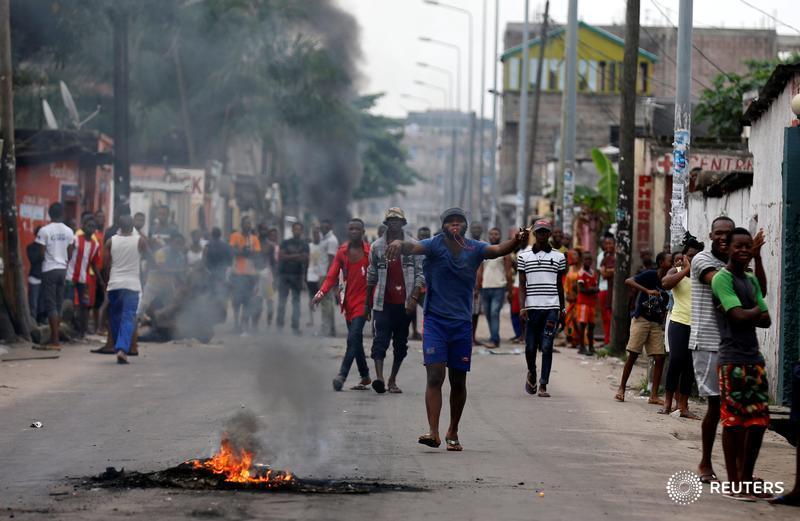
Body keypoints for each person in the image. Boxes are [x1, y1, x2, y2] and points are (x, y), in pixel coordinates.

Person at [385, 208, 528, 451]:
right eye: (450, 222)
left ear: (465, 226)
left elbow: (497, 250)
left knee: (458, 381)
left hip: (461, 323)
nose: (454, 225)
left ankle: (453, 430)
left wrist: (515, 241)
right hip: (435, 321)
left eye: (459, 222)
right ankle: (433, 432)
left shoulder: (474, 248)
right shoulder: (434, 244)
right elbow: (413, 247)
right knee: (435, 376)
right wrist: (399, 243)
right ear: (443, 226)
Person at [689, 216, 761, 484]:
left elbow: (757, 294)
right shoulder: (702, 260)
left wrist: (755, 259)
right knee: (715, 406)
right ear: (710, 235)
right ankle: (706, 462)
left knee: (739, 409)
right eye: (718, 233)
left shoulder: (739, 266)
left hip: (735, 345)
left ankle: (742, 471)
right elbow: (720, 283)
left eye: (727, 234)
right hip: (708, 342)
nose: (722, 237)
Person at [711, 227, 772, 500]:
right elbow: (737, 317)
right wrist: (754, 311)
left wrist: (749, 312)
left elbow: (765, 320)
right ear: (728, 248)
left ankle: (747, 480)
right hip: (731, 360)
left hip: (754, 359)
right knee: (734, 423)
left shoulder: (750, 279)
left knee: (757, 423)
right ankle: (734, 483)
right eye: (739, 246)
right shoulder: (722, 279)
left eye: (749, 246)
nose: (745, 250)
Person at [365, 208, 424, 394]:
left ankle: (392, 379)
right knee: (380, 340)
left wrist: (414, 297)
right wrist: (367, 304)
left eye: (397, 220)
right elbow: (371, 275)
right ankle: (380, 378)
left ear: (403, 223)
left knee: (400, 343)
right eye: (390, 220)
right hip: (382, 303)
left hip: (404, 304)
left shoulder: (413, 245)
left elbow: (420, 274)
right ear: (386, 223)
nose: (394, 223)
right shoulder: (377, 246)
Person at [313, 219, 372, 390]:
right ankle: (365, 375)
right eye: (351, 229)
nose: (354, 231)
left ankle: (342, 375)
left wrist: (371, 304)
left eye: (357, 229)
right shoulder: (342, 252)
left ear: (363, 232)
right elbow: (331, 276)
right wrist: (320, 294)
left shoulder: (370, 253)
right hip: (348, 302)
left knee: (352, 337)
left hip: (363, 302)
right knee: (356, 340)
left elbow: (376, 279)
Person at [614, 251, 671, 404]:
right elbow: (628, 281)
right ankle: (621, 388)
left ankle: (653, 395)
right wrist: (647, 290)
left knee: (659, 357)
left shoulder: (670, 280)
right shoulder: (651, 275)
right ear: (661, 263)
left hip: (656, 322)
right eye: (670, 260)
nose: (672, 263)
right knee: (633, 354)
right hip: (642, 319)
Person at [518, 219, 566, 398]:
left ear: (549, 234)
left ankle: (543, 384)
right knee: (530, 348)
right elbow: (522, 284)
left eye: (545, 231)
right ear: (534, 234)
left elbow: (560, 285)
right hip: (531, 308)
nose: (542, 234)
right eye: (539, 231)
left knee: (547, 346)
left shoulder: (559, 257)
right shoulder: (524, 256)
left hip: (551, 308)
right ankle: (532, 371)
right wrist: (522, 307)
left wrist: (563, 309)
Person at [659, 234, 704, 417]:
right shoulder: (675, 271)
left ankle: (683, 406)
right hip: (678, 322)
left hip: (696, 326)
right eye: (690, 255)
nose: (693, 259)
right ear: (685, 256)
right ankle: (667, 403)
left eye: (696, 256)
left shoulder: (704, 274)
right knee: (676, 361)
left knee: (689, 365)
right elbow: (665, 284)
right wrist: (686, 269)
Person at [103, 214, 148, 364]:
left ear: (119, 226)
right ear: (133, 226)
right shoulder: (140, 240)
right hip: (132, 285)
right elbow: (148, 257)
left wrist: (107, 282)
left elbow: (105, 265)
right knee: (128, 316)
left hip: (114, 284)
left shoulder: (110, 241)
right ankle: (122, 349)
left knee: (115, 317)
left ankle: (118, 347)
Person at [35, 202, 75, 349]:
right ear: (62, 214)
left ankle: (55, 341)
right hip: (62, 269)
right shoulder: (69, 231)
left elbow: (41, 254)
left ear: (49, 214)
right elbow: (70, 253)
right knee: (58, 305)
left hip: (49, 270)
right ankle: (55, 338)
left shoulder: (44, 230)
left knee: (51, 305)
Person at [66, 212, 102, 338]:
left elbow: (94, 263)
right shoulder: (75, 239)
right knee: (69, 303)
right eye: (88, 226)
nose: (91, 228)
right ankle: (68, 327)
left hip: (83, 279)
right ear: (83, 226)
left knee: (85, 305)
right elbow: (68, 256)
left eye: (93, 226)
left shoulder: (95, 245)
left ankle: (82, 331)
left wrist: (100, 279)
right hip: (70, 277)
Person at [479, 227, 513, 349]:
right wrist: (478, 285)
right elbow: (480, 270)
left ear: (500, 236)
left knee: (494, 312)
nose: (493, 236)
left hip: (499, 286)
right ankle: (493, 336)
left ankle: (495, 340)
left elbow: (508, 272)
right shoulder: (484, 251)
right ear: (488, 236)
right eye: (491, 234)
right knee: (488, 314)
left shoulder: (504, 251)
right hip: (485, 286)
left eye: (496, 234)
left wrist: (510, 290)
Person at [229, 216, 261, 334]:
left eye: (249, 223)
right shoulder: (235, 236)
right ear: (241, 225)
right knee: (236, 300)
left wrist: (241, 252)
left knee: (248, 300)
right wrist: (245, 252)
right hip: (236, 273)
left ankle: (244, 323)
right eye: (246, 223)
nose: (248, 225)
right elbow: (232, 251)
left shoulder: (254, 239)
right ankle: (236, 323)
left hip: (250, 274)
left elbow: (256, 254)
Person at [277, 222, 309, 334]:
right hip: (284, 275)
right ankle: (279, 327)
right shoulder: (285, 243)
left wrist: (289, 257)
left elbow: (305, 259)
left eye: (299, 229)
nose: (297, 231)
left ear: (302, 231)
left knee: (296, 302)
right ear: (292, 230)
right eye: (295, 229)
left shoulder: (304, 244)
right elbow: (282, 257)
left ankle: (295, 327)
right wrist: (297, 256)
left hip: (297, 275)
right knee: (282, 302)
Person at [410, 226, 432, 340]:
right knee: (411, 311)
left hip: (426, 288)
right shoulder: (412, 250)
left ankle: (428, 332)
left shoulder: (433, 251)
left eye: (427, 236)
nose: (424, 238)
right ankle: (414, 332)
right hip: (412, 286)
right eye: (422, 235)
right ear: (418, 236)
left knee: (429, 310)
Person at [319, 219, 339, 337]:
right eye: (322, 227)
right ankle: (330, 329)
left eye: (326, 227)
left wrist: (328, 278)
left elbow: (331, 260)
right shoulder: (325, 239)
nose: (323, 229)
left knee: (326, 303)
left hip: (325, 275)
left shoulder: (331, 240)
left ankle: (327, 329)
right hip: (322, 273)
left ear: (330, 227)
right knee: (326, 302)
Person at [576, 251, 599, 356]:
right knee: (583, 325)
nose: (588, 261)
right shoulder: (581, 273)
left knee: (592, 325)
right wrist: (592, 289)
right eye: (586, 259)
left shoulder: (593, 273)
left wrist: (592, 289)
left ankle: (591, 346)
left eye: (590, 259)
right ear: (582, 261)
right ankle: (582, 347)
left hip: (591, 303)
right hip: (583, 303)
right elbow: (581, 289)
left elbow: (595, 287)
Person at [306, 226, 328, 328]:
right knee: (311, 298)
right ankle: (311, 320)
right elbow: (307, 261)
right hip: (311, 276)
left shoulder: (323, 246)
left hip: (321, 276)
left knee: (322, 299)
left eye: (318, 233)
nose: (316, 235)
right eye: (314, 233)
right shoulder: (309, 246)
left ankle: (323, 321)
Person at [469, 221, 485, 346]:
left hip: (480, 284)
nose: (476, 230)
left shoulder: (485, 245)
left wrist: (479, 283)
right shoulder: (466, 244)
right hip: (467, 283)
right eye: (474, 228)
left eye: (479, 228)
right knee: (467, 313)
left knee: (476, 313)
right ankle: (467, 337)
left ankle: (473, 337)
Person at [597, 234, 615, 346]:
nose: (608, 246)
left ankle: (612, 340)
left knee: (612, 316)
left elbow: (618, 271)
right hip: (604, 288)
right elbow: (603, 274)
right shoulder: (604, 258)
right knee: (606, 316)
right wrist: (612, 271)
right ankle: (607, 340)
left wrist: (610, 270)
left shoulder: (619, 257)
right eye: (606, 243)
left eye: (610, 243)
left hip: (614, 290)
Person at [563, 249, 581, 349]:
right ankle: (572, 340)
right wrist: (568, 295)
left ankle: (580, 340)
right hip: (570, 299)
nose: (574, 257)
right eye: (572, 255)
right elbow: (566, 284)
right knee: (568, 320)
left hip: (580, 299)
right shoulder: (569, 269)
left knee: (577, 320)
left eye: (576, 254)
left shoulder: (583, 269)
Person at [26, 228, 44, 323]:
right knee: (33, 303)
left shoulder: (48, 247)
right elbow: (33, 259)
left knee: (42, 304)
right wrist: (41, 249)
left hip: (45, 278)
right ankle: (32, 322)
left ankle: (41, 321)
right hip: (35, 278)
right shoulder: (31, 247)